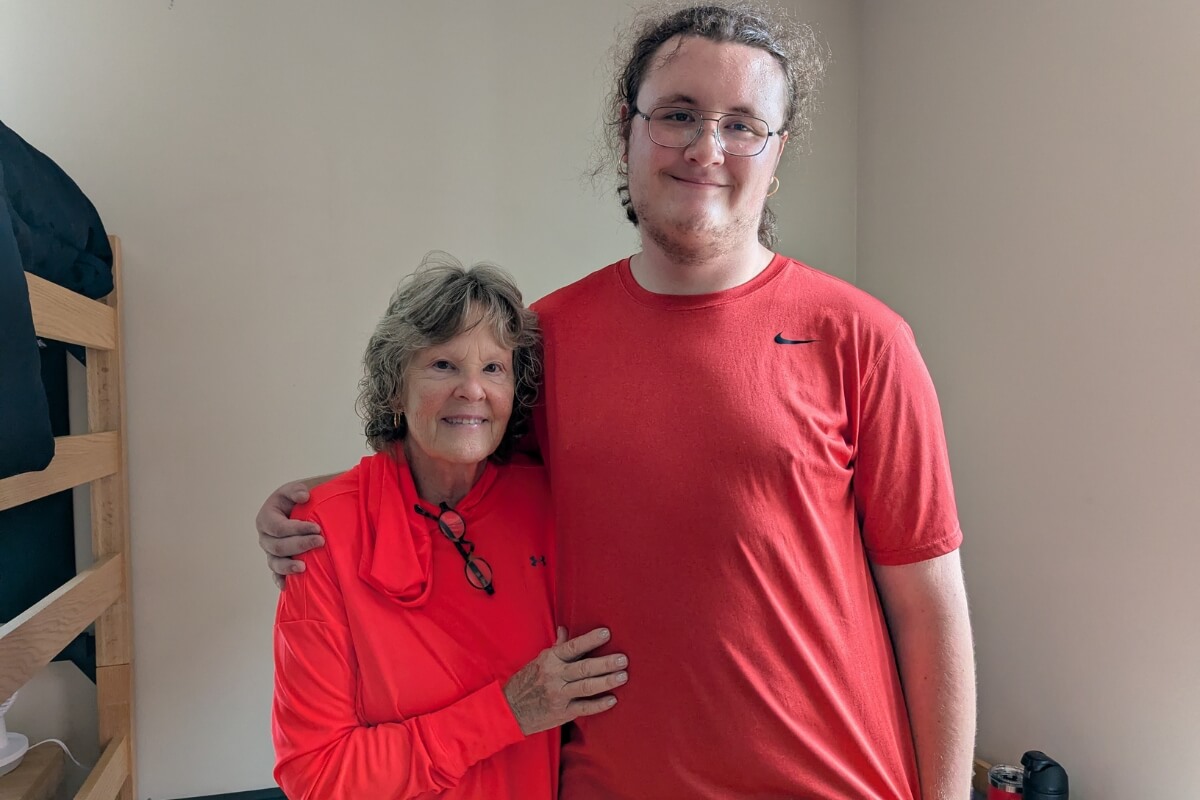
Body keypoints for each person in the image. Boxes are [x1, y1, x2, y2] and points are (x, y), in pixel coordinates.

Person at [259, 4, 976, 798]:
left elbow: (929, 608)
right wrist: (319, 504)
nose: (706, 148)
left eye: (743, 125)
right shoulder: (547, 341)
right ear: (626, 130)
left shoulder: (863, 339)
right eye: (678, 114)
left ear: (777, 152)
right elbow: (461, 469)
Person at [270, 255, 629, 800]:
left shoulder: (553, 504)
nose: (472, 390)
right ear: (395, 389)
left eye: (494, 368)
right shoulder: (320, 533)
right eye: (443, 364)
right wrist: (507, 712)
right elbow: (316, 777)